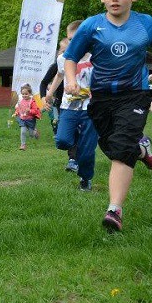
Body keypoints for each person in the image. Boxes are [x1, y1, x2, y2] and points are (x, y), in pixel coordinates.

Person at [64, 0, 152, 233]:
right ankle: (141, 150)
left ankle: (114, 210)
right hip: (101, 98)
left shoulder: (147, 25)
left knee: (120, 149)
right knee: (111, 145)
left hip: (134, 95)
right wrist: (72, 80)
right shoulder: (91, 26)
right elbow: (71, 57)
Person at [44, 20, 98, 190]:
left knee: (88, 151)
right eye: (69, 39)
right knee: (62, 140)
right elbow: (60, 76)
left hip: (91, 108)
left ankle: (85, 179)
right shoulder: (63, 58)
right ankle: (78, 146)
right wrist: (50, 93)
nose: (73, 43)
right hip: (69, 106)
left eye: (77, 38)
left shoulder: (95, 57)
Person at [41, 38, 69, 134]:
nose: (65, 54)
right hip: (61, 103)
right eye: (62, 51)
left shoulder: (80, 63)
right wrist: (43, 98)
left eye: (68, 50)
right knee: (63, 134)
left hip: (78, 103)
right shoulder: (57, 65)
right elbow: (44, 83)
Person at [14, 84, 41, 150]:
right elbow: (19, 108)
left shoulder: (32, 102)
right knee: (23, 132)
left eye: (26, 94)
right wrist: (16, 113)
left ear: (30, 94)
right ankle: (23, 145)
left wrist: (30, 110)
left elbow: (35, 111)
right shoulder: (21, 101)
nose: (24, 95)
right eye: (23, 94)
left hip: (30, 120)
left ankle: (35, 132)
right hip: (22, 119)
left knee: (31, 134)